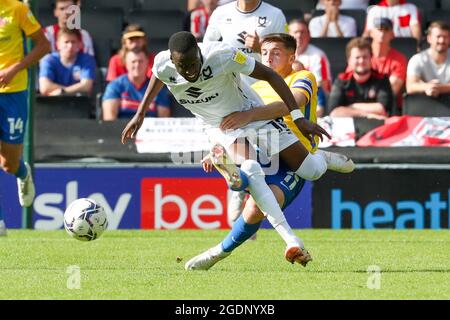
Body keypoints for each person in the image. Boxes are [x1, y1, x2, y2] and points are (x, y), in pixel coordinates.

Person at [121, 31, 354, 261]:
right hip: (219, 126)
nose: (191, 70)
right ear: (173, 62)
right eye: (183, 66)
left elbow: (270, 76)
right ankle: (289, 238)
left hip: (251, 111)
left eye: (194, 63)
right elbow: (157, 76)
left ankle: (315, 159)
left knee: (311, 171)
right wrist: (140, 113)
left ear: (200, 53)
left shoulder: (222, 55)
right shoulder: (163, 64)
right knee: (252, 169)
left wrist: (299, 117)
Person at [0, 0, 51, 236]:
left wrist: (14, 69)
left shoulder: (16, 9)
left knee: (8, 163)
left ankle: (23, 172)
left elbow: (44, 46)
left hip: (14, 93)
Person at [203, 0, 288, 85]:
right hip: (228, 89)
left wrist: (260, 48)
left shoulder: (276, 15)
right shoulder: (220, 12)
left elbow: (284, 59)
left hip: (261, 88)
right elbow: (207, 51)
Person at [328, 37, 393, 119]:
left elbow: (382, 109)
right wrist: (367, 115)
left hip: (376, 127)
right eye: (357, 57)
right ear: (349, 60)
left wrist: (351, 106)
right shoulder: (342, 80)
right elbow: (334, 112)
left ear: (371, 58)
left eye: (365, 57)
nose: (361, 61)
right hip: (348, 128)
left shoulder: (382, 79)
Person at [102, 49, 171, 120]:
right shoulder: (114, 86)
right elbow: (110, 120)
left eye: (140, 61)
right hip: (121, 129)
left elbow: (163, 119)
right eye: (133, 62)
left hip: (150, 129)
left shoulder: (156, 86)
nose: (137, 65)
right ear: (126, 63)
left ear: (147, 62)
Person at [39, 28, 96, 96]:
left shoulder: (87, 60)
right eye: (66, 42)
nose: (70, 46)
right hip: (53, 103)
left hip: (79, 103)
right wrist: (73, 90)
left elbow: (86, 87)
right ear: (58, 45)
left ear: (79, 44)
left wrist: (62, 92)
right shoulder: (49, 60)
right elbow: (44, 88)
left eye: (73, 42)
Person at [406, 21, 450, 100]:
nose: (442, 40)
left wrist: (437, 88)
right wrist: (427, 87)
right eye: (438, 36)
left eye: (445, 37)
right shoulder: (417, 59)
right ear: (429, 38)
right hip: (424, 105)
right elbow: (410, 87)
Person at [288, 19, 333, 94]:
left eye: (302, 32)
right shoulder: (282, 55)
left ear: (309, 35)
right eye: (296, 32)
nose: (299, 35)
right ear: (289, 35)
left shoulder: (318, 55)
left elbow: (322, 87)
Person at [369, 17, 407, 99]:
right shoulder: (361, 55)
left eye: (386, 30)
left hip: (388, 107)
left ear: (392, 34)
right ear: (371, 33)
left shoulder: (399, 59)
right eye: (379, 29)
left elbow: (391, 91)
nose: (382, 33)